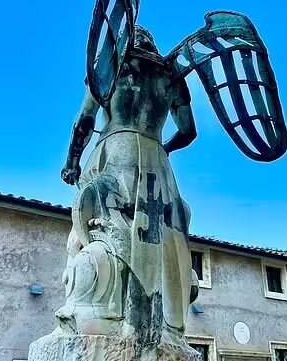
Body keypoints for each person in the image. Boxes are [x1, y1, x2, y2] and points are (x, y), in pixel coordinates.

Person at [61, 26, 198, 336]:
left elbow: (85, 119)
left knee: (97, 228)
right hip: (156, 159)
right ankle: (165, 321)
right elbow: (189, 130)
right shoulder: (170, 75)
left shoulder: (112, 66)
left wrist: (72, 162)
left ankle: (101, 309)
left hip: (115, 147)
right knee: (162, 235)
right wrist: (165, 148)